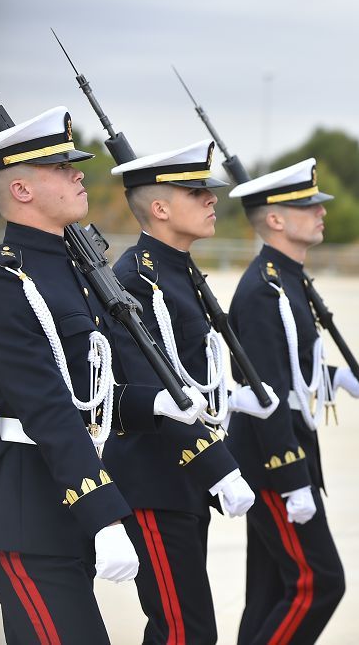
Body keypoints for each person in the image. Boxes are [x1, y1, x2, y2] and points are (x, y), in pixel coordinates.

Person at [0, 106, 206, 644]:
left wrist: (154, 405)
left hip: (59, 503)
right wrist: (104, 515)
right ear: (21, 189)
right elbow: (48, 411)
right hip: (21, 511)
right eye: (62, 168)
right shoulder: (3, 281)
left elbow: (89, 394)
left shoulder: (68, 267)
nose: (78, 174)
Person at [105, 140, 276, 644]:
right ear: (159, 208)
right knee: (185, 633)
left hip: (181, 483)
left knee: (182, 631)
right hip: (154, 482)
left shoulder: (177, 271)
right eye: (196, 192)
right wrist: (218, 467)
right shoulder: (135, 280)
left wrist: (231, 400)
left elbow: (192, 375)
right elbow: (149, 386)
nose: (212, 200)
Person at [224, 157, 359, 643]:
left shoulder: (287, 277)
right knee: (319, 583)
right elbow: (266, 392)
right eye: (307, 205)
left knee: (271, 589)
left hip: (287, 450)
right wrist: (293, 480)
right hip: (275, 459)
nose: (320, 211)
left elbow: (289, 369)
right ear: (275, 219)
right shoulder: (263, 290)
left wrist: (337, 379)